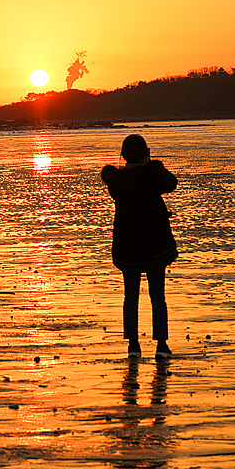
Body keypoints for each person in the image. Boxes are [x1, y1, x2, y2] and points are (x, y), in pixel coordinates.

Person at [101, 134, 178, 359]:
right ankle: (161, 345)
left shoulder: (118, 181)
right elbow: (171, 182)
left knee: (130, 296)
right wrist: (152, 165)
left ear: (124, 156)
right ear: (145, 153)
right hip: (155, 246)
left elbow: (115, 178)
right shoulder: (153, 176)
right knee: (157, 295)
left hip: (128, 247)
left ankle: (133, 345)